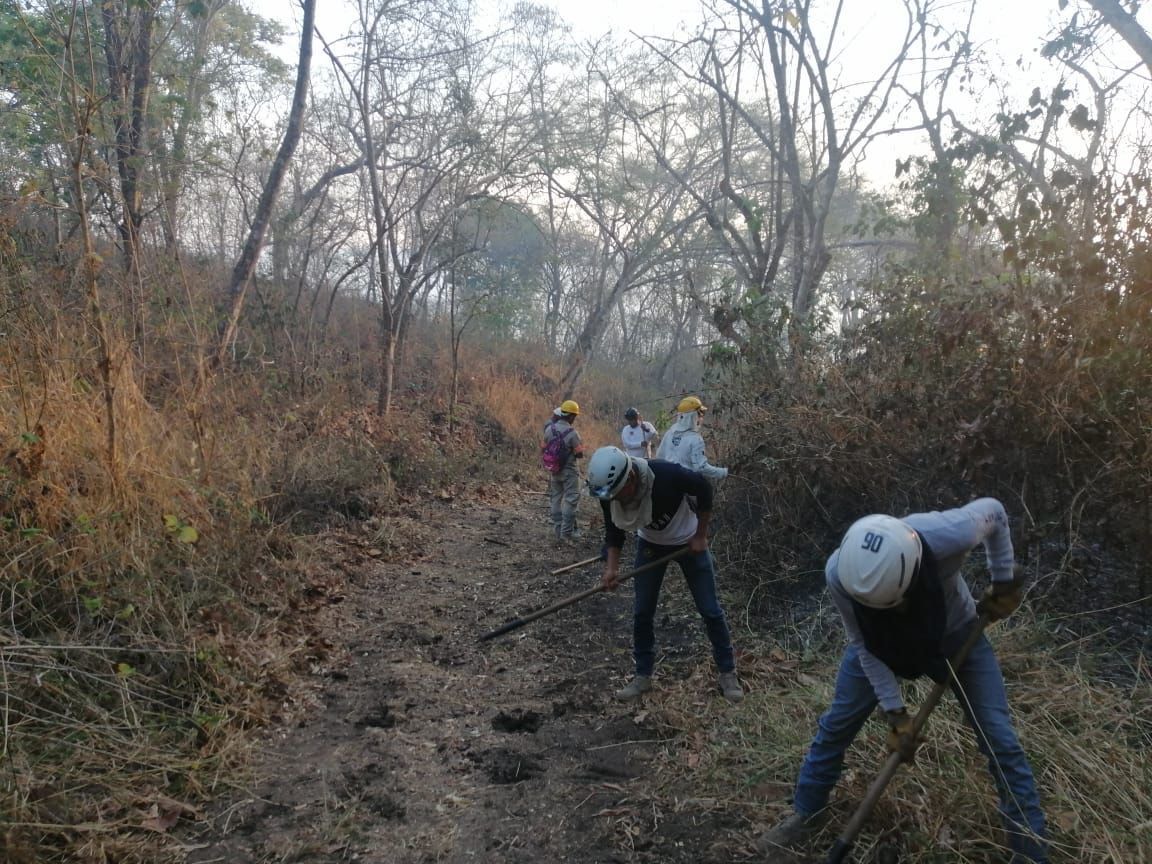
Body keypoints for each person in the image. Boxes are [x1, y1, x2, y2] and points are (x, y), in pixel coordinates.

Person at [758, 499, 1049, 863]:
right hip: (882, 645)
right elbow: (863, 645)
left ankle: (1030, 851)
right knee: (838, 723)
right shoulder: (840, 574)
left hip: (957, 634)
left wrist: (1003, 580)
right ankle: (806, 811)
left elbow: (996, 511)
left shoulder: (947, 533)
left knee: (1000, 739)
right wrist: (896, 714)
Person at [585, 445, 743, 703]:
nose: (613, 499)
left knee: (710, 609)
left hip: (689, 543)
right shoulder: (609, 491)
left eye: (617, 493)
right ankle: (642, 676)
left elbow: (704, 489)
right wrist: (611, 568)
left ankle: (728, 672)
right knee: (642, 612)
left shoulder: (667, 475)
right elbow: (613, 531)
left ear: (632, 478)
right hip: (651, 546)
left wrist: (701, 535)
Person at [542, 400, 585, 542]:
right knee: (571, 500)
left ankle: (557, 529)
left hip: (554, 470)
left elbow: (543, 448)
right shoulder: (572, 433)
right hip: (569, 471)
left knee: (556, 498)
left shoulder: (549, 429)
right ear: (572, 416)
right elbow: (579, 454)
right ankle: (566, 534)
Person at [655, 395, 728, 479]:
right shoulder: (696, 439)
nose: (701, 418)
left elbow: (659, 456)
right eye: (700, 414)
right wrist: (723, 472)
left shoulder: (669, 433)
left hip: (666, 480)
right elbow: (700, 467)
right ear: (692, 416)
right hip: (686, 484)